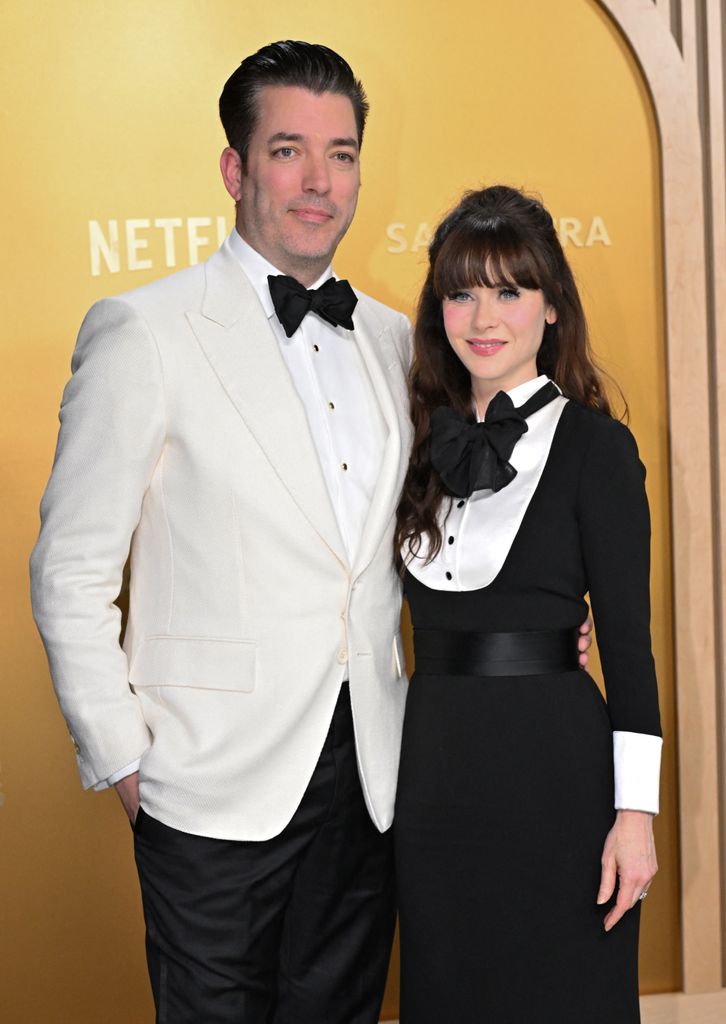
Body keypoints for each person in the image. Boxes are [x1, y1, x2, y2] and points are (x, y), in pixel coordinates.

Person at [30, 40, 414, 1024]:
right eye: (289, 150)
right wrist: (124, 758)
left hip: (370, 776)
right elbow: (70, 566)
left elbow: (420, 542)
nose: (320, 181)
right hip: (204, 784)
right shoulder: (144, 330)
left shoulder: (394, 337)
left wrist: (548, 622)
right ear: (235, 170)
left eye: (342, 152)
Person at [394, 185, 661, 1023]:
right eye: (462, 290)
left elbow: (630, 646)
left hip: (559, 791)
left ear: (552, 309)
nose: (483, 315)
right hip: (433, 788)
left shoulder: (596, 448)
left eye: (510, 290)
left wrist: (636, 818)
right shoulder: (417, 442)